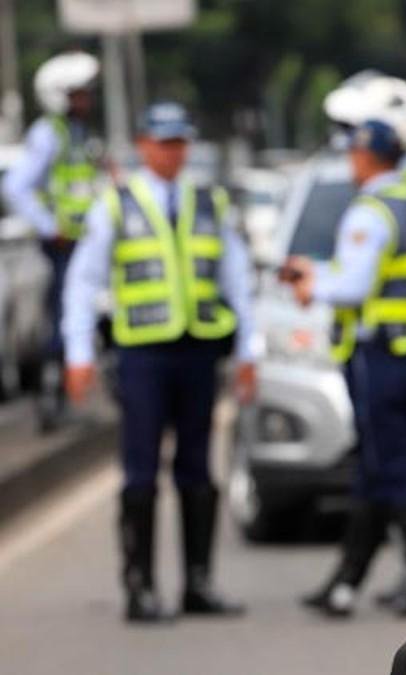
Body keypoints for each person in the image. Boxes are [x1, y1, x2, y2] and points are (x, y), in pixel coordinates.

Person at [61, 102, 257, 623]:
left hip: (197, 350)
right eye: (163, 142)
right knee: (141, 472)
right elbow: (83, 283)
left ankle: (198, 581)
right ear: (144, 145)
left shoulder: (209, 202)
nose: (173, 151)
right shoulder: (116, 204)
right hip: (142, 353)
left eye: (180, 142)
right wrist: (78, 352)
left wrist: (248, 351)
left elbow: (237, 280)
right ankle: (140, 585)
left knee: (198, 469)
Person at [283, 117, 406, 618]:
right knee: (376, 471)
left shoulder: (372, 210)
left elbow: (354, 285)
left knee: (391, 468)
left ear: (366, 157)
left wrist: (310, 285)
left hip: (381, 359)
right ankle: (345, 582)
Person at [2, 51, 101, 431]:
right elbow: (15, 186)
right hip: (60, 247)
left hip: (81, 244)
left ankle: (63, 401)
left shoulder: (77, 135)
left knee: (76, 319)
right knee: (62, 320)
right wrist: (49, 226)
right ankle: (51, 402)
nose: (87, 101)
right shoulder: (48, 133)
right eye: (79, 94)